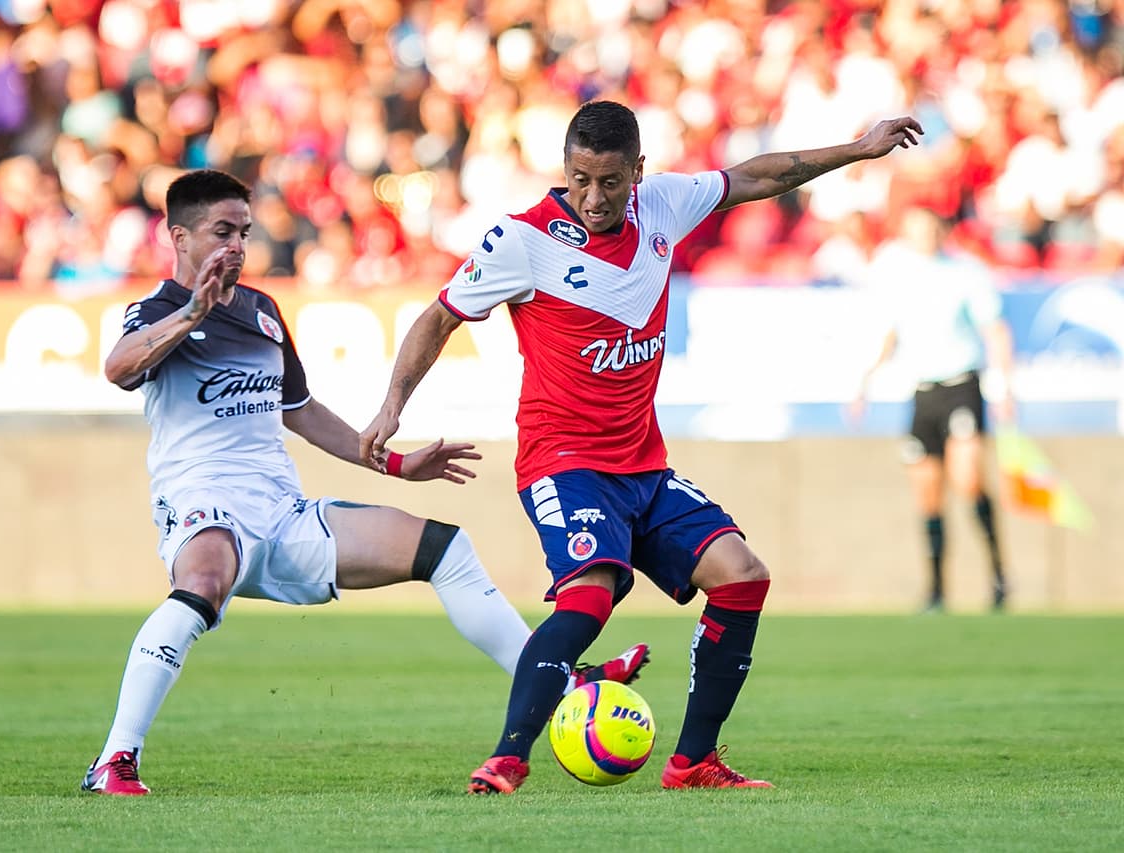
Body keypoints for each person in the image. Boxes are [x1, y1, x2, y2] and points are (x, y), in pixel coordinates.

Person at [361, 101, 923, 794]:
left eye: (610, 183)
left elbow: (755, 177)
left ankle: (693, 762)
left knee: (743, 576)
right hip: (564, 464)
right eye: (579, 180)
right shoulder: (521, 240)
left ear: (639, 173)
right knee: (590, 597)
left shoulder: (663, 205)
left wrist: (860, 148)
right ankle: (509, 754)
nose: (593, 198)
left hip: (644, 466)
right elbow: (438, 317)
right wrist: (392, 407)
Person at [80, 169, 648, 796]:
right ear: (178, 236)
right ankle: (114, 760)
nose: (236, 246)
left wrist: (397, 463)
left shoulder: (262, 313)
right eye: (221, 232)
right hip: (203, 505)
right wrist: (191, 314)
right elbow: (120, 367)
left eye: (243, 232)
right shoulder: (158, 310)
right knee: (205, 581)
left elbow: (300, 410)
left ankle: (563, 685)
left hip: (284, 513)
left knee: (444, 549)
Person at [850, 206, 1014, 612]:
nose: (926, 236)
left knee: (967, 479)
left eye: (932, 228)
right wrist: (864, 383)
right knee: (928, 496)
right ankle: (937, 590)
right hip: (922, 394)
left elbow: (994, 329)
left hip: (961, 386)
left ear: (943, 230)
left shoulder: (966, 272)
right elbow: (891, 335)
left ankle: (997, 575)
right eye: (916, 229)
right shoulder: (899, 278)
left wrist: (1005, 386)